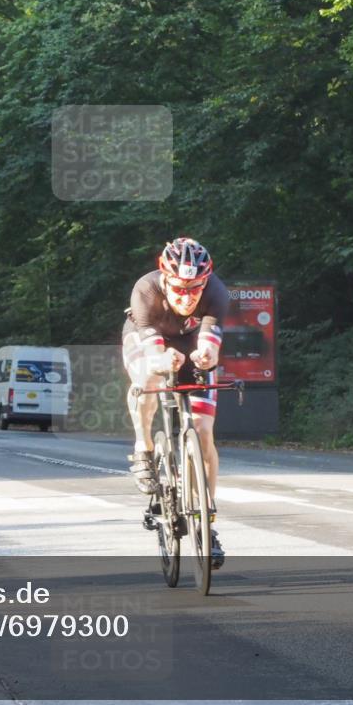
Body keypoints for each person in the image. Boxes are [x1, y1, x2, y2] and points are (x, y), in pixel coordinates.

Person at [122, 237, 229, 568]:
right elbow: (153, 353)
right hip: (148, 340)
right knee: (148, 378)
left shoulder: (217, 293)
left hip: (190, 341)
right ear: (165, 279)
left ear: (205, 282)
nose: (186, 296)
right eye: (179, 288)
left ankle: (206, 521)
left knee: (204, 431)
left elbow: (210, 346)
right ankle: (144, 447)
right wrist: (161, 359)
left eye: (194, 289)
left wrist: (207, 355)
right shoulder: (145, 291)